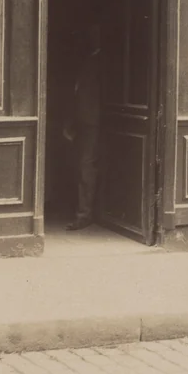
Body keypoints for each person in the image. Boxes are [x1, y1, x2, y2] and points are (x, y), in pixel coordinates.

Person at [63, 22, 103, 230]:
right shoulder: (88, 59)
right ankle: (83, 211)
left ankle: (85, 214)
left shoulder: (103, 61)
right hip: (84, 122)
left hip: (94, 123)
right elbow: (79, 93)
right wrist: (71, 121)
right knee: (81, 166)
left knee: (86, 166)